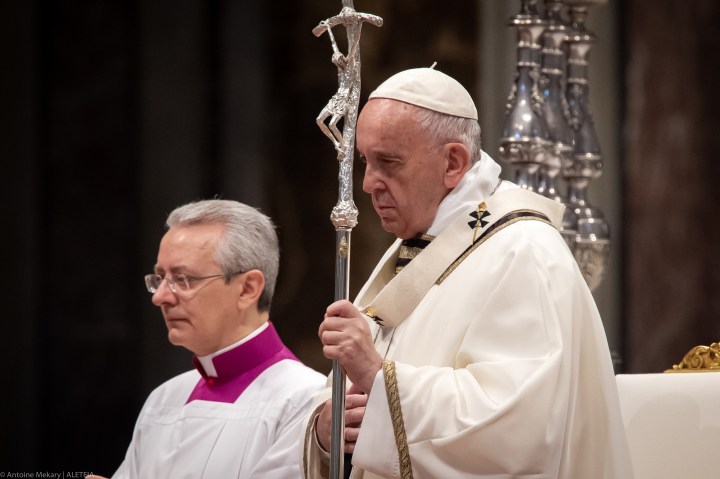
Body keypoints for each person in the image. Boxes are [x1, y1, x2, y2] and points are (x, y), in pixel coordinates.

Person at [302, 67, 633, 478]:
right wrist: (327, 429)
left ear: (453, 163)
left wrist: (377, 376)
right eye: (366, 162)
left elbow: (518, 429)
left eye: (388, 162)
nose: (368, 183)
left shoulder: (522, 251)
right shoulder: (425, 241)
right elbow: (355, 403)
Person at [92, 199, 325, 479]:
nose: (160, 297)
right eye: (159, 277)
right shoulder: (164, 398)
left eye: (183, 279)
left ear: (247, 289)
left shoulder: (305, 401)